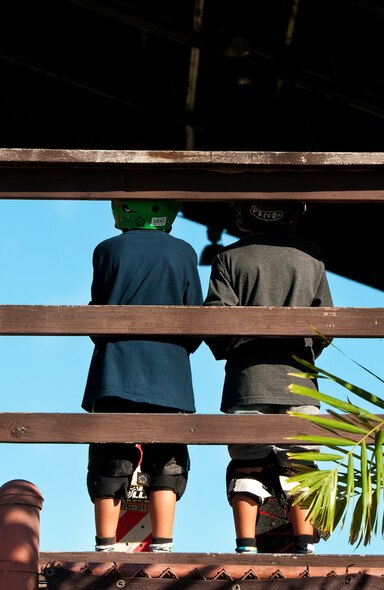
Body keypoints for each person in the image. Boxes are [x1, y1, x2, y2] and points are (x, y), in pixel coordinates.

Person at [204, 202, 333, 555]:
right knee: (301, 466)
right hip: (300, 382)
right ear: (293, 215)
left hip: (247, 382)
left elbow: (215, 324)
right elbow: (326, 324)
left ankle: (245, 547)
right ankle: (304, 547)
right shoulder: (311, 257)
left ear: (244, 215)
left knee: (247, 463)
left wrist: (235, 348)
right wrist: (305, 353)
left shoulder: (230, 258)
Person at [82, 199, 203, 553]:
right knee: (167, 460)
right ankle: (162, 544)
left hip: (113, 372)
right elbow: (195, 317)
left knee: (109, 460)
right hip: (170, 375)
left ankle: (105, 546)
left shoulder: (106, 250)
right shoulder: (184, 252)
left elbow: (97, 312)